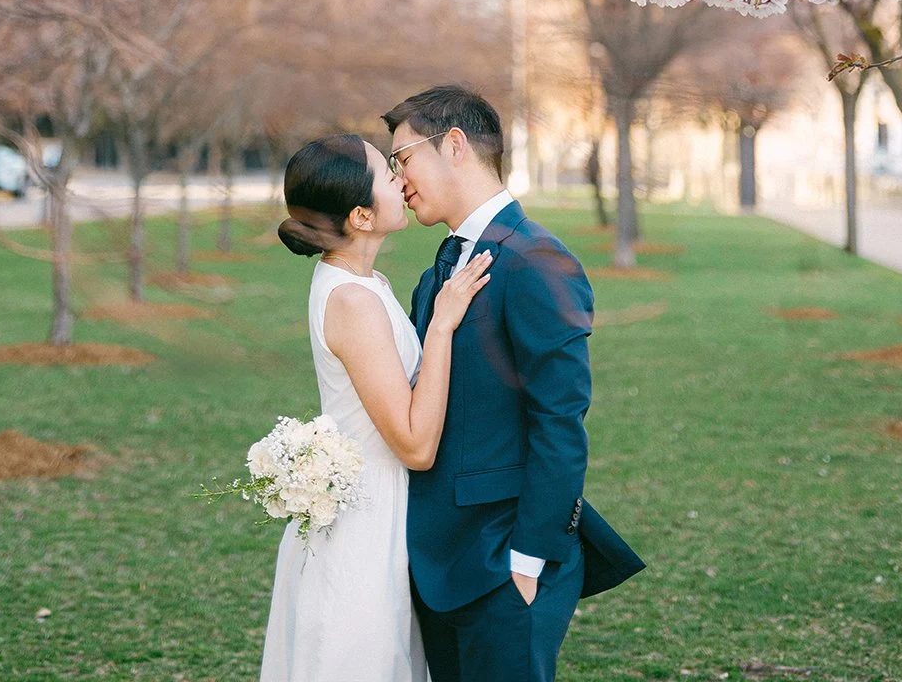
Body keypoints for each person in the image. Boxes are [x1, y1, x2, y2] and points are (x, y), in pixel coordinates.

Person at [384, 85, 643, 682]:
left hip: (505, 565)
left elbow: (559, 420)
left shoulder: (537, 260)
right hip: (437, 562)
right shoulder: (436, 274)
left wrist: (527, 562)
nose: (399, 181)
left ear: (453, 145)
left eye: (403, 160)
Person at [259, 132, 492, 682]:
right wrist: (442, 323)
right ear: (362, 216)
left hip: (378, 513)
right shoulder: (353, 302)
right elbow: (413, 444)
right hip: (366, 531)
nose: (401, 177)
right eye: (388, 173)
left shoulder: (363, 282)